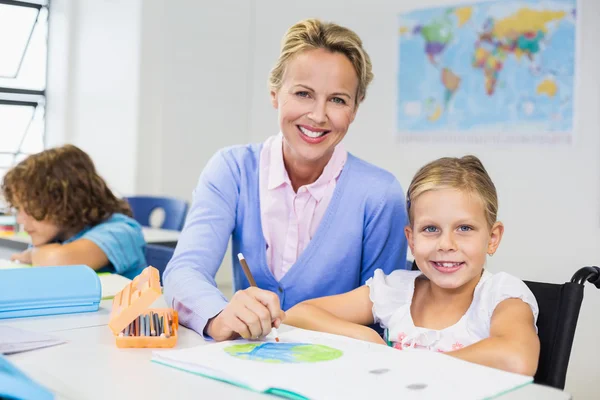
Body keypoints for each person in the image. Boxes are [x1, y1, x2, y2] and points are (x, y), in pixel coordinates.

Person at [163, 18, 408, 341]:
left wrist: (303, 323)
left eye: (337, 99)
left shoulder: (380, 195)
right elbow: (183, 271)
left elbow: (385, 313)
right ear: (275, 93)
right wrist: (219, 315)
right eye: (304, 93)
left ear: (355, 108)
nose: (318, 115)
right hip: (247, 367)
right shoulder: (231, 170)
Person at [284, 155, 540, 375]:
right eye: (430, 229)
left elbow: (517, 358)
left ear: (492, 239)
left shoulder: (501, 295)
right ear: (412, 240)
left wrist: (414, 366)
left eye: (464, 228)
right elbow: (298, 314)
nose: (446, 244)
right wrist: (363, 336)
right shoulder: (396, 290)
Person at [2, 144, 147, 279]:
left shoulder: (121, 232)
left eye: (29, 208)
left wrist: (30, 255)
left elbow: (56, 260)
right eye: (18, 208)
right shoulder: (55, 237)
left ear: (67, 201)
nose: (20, 219)